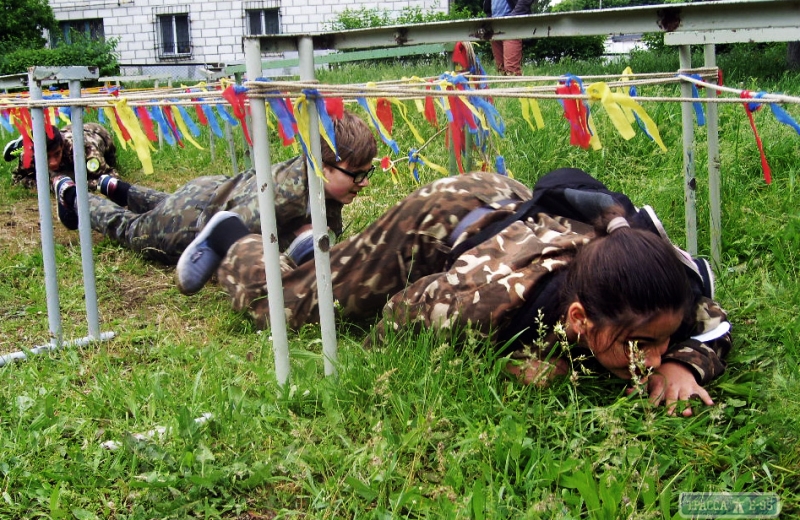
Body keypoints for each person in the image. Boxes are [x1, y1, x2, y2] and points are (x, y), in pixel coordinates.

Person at [175, 168, 731, 416]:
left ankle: (317, 250)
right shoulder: (479, 301)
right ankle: (236, 241)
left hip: (517, 207)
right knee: (297, 306)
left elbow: (713, 320)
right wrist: (514, 362)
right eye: (639, 345)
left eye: (660, 341)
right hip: (445, 218)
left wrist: (686, 364)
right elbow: (395, 318)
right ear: (581, 319)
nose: (651, 358)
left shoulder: (659, 287)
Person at [52, 110, 378, 265]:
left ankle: (114, 186)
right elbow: (223, 233)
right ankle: (73, 195)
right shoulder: (286, 197)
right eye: (356, 175)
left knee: (161, 203)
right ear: (322, 167)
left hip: (211, 190)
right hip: (191, 221)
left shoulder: (320, 183)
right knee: (129, 228)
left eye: (368, 173)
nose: (363, 183)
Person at [4, 122, 118, 190]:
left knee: (93, 169)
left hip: (96, 132)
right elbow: (17, 180)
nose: (53, 162)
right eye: (47, 157)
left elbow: (112, 177)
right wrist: (51, 185)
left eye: (56, 154)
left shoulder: (82, 149)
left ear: (62, 146)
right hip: (66, 131)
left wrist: (74, 185)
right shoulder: (29, 156)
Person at [483, 0, 535, 76]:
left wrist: (513, 17)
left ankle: (515, 86)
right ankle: (504, 87)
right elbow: (487, 7)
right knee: (500, 69)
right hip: (494, 26)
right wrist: (489, 20)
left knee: (511, 70)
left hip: (512, 26)